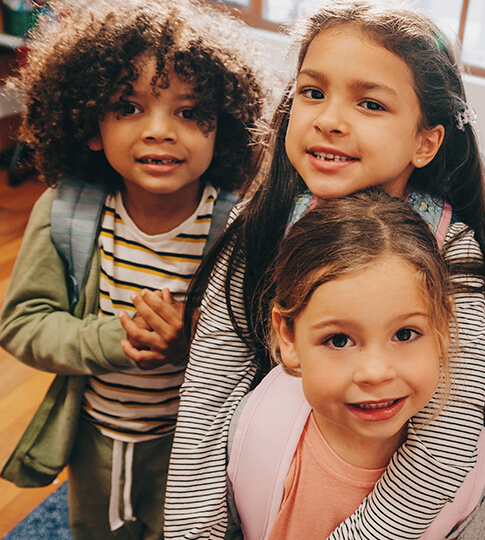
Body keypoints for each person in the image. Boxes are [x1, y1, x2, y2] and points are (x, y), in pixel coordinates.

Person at [165, 2, 485, 539]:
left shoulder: (449, 249)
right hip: (282, 489)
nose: (328, 119)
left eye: (369, 102)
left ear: (426, 141)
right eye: (312, 92)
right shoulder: (264, 225)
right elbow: (209, 397)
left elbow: (447, 434)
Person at [0, 1, 266, 538]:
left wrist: (191, 342)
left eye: (189, 112)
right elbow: (22, 323)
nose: (160, 131)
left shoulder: (236, 226)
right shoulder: (66, 212)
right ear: (91, 125)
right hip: (95, 440)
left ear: (224, 128)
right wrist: (115, 338)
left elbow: (263, 341)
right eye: (129, 107)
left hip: (193, 450)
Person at [227, 190, 485, 540]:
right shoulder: (254, 426)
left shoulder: (468, 472)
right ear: (288, 337)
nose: (375, 372)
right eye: (338, 340)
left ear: (443, 326)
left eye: (405, 334)